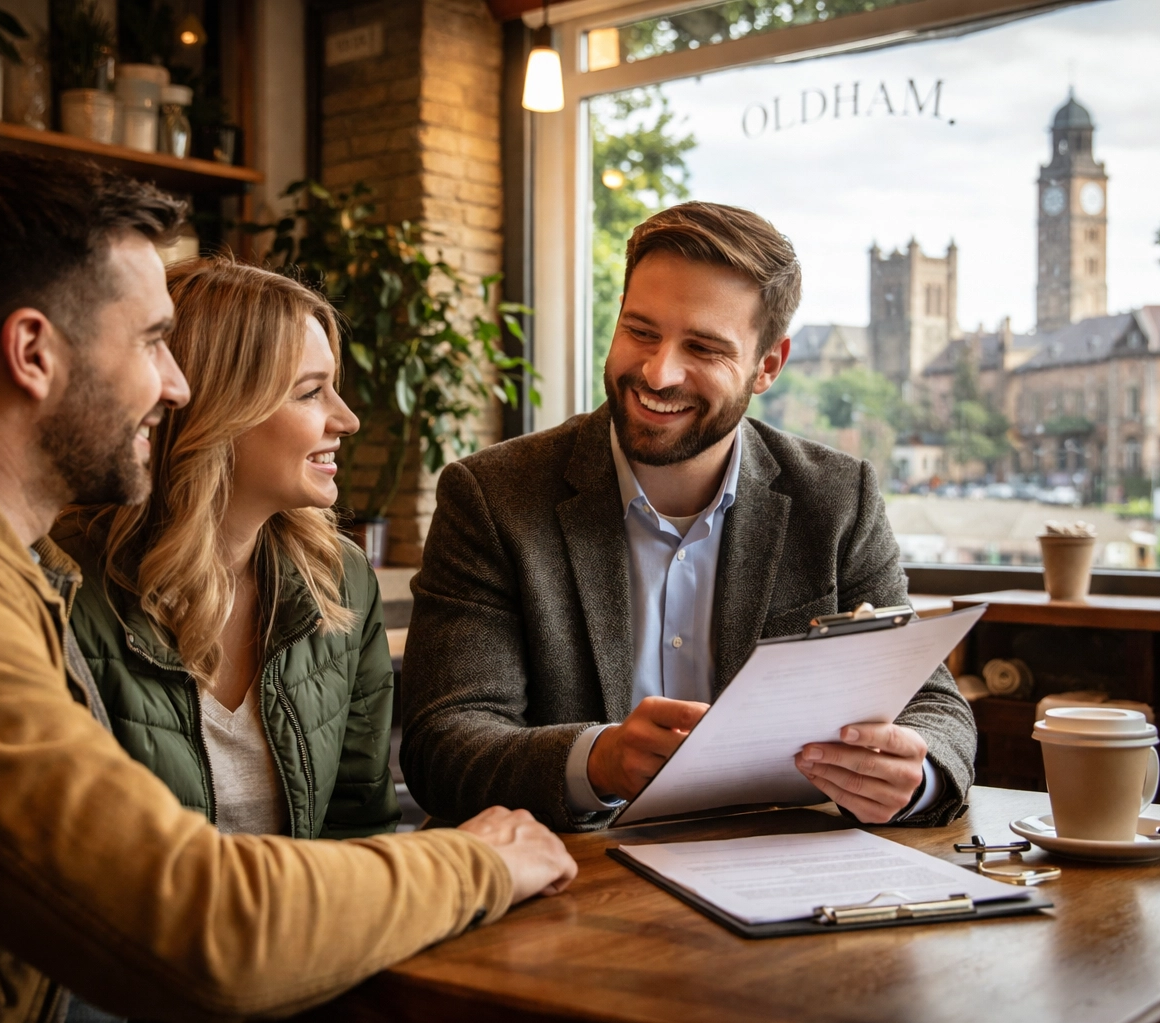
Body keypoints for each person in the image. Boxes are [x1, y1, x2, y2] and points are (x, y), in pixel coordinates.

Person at [0, 151, 574, 1023]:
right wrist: (480, 861)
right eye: (152, 341)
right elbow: (195, 921)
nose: (177, 383)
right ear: (32, 352)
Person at [400, 201, 976, 832]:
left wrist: (912, 778)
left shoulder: (837, 499)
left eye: (702, 346)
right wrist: (598, 761)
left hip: (773, 877)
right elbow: (442, 747)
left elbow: (935, 707)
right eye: (640, 331)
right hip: (561, 881)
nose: (657, 372)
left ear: (769, 366)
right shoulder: (491, 495)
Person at [54, 256, 400, 841]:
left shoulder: (341, 581)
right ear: (216, 410)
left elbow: (359, 831)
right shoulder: (64, 586)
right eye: (311, 392)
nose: (348, 419)